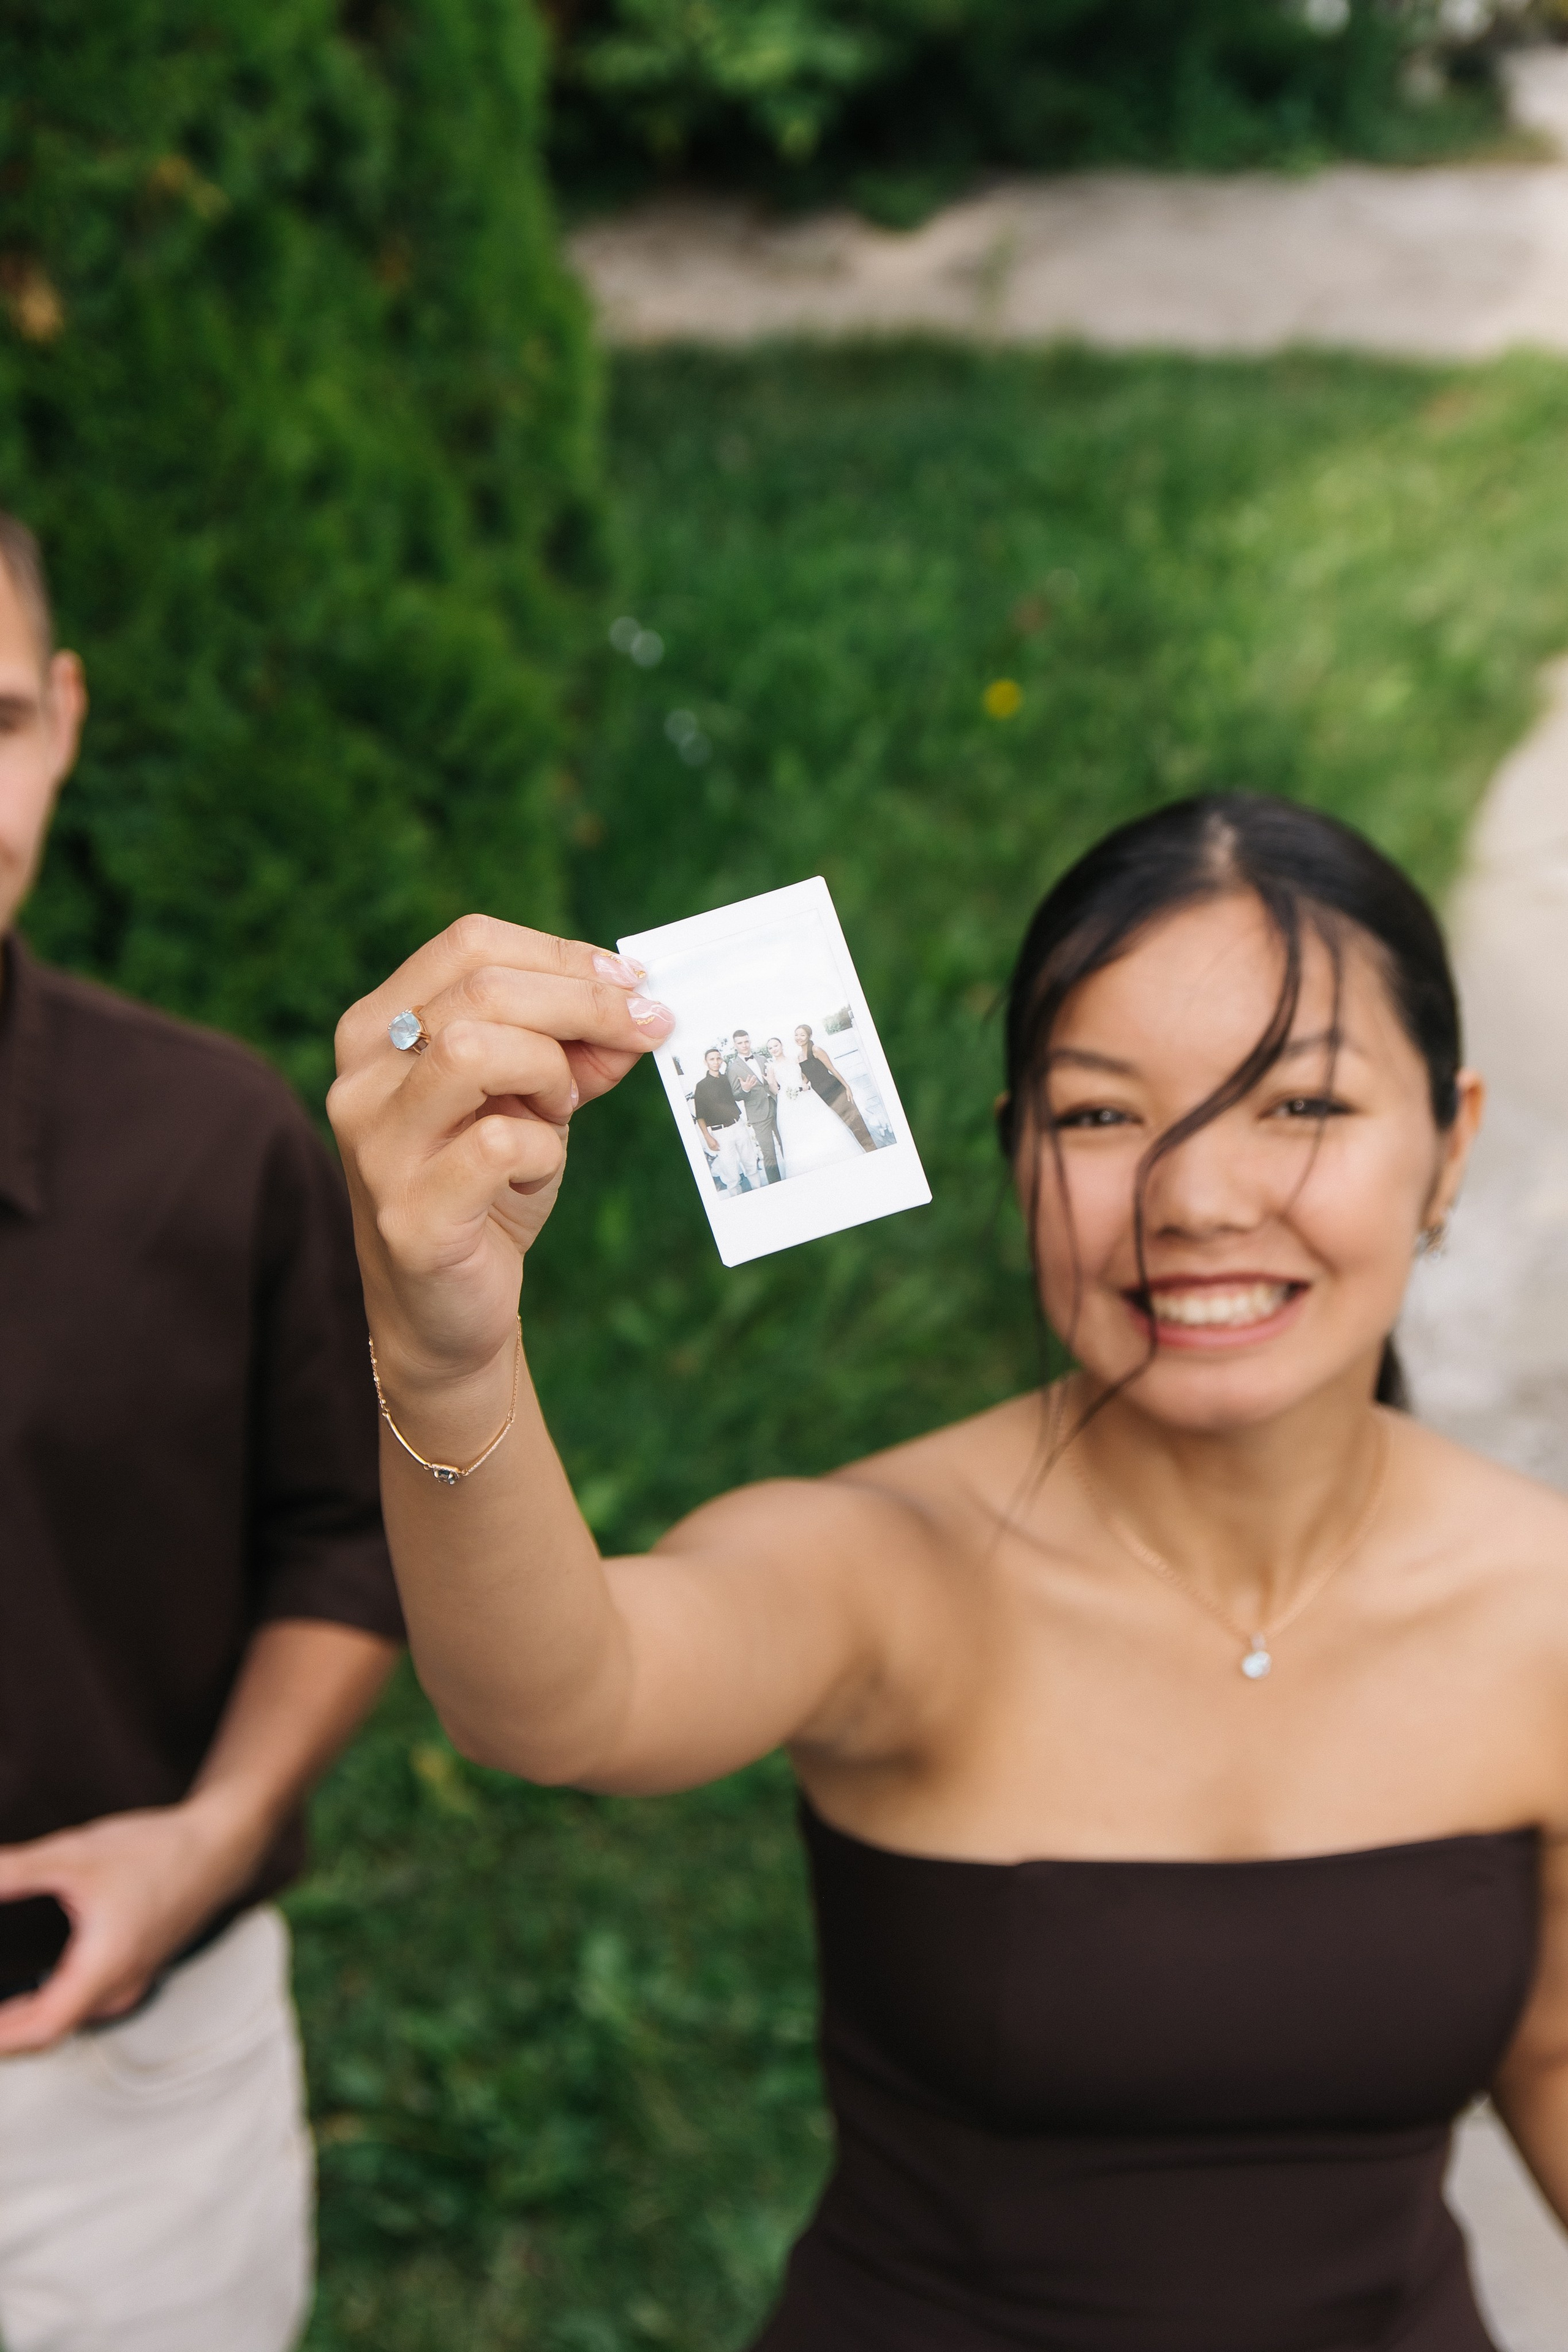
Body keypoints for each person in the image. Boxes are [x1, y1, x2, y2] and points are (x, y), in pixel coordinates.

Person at [328, 792, 1568, 2350]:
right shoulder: (890, 1566)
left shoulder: (1541, 1603)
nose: (1195, 1199)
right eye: (1098, 1117)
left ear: (1448, 1143)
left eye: (1298, 1105)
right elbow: (563, 1697)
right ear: (1014, 1156)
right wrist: (446, 1355)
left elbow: (1548, 2046)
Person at [0, 513, 403, 2352]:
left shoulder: (210, 1143)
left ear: (67, 718)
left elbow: (345, 1531)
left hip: (126, 2094)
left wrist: (215, 1830)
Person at [766, 1033, 860, 1178]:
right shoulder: (771, 1067)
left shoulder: (795, 1059)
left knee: (819, 1125)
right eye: (770, 1048)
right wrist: (770, 1082)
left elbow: (805, 1074)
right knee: (799, 1133)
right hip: (788, 1101)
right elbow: (774, 1090)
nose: (774, 1049)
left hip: (806, 1095)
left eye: (776, 1045)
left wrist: (804, 1083)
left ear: (782, 1045)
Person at [794, 1022, 876, 1151]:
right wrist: (803, 1083)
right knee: (845, 1125)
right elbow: (807, 1076)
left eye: (802, 1035)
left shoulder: (816, 1050)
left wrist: (847, 1087)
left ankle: (872, 1150)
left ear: (809, 1036)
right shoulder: (799, 1057)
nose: (799, 1038)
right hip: (822, 1095)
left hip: (836, 1090)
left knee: (856, 1123)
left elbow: (832, 1069)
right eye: (796, 1035)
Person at [693, 1044, 756, 1194]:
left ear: (722, 1061)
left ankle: (759, 1190)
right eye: (712, 1059)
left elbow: (738, 1097)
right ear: (706, 1062)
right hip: (721, 1133)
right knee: (731, 1172)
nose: (716, 1062)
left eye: (718, 1059)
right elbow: (700, 1116)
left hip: (738, 1126)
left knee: (751, 1163)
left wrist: (746, 1089)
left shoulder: (727, 1079)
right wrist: (708, 1138)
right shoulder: (701, 1086)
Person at [726, 1027, 782, 1182]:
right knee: (769, 1155)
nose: (744, 1045)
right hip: (758, 1116)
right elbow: (735, 1095)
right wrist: (745, 1089)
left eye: (746, 1041)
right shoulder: (733, 1068)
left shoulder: (762, 1059)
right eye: (740, 1043)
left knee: (787, 1144)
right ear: (735, 1045)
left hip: (777, 1107)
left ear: (750, 1041)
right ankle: (777, 1186)